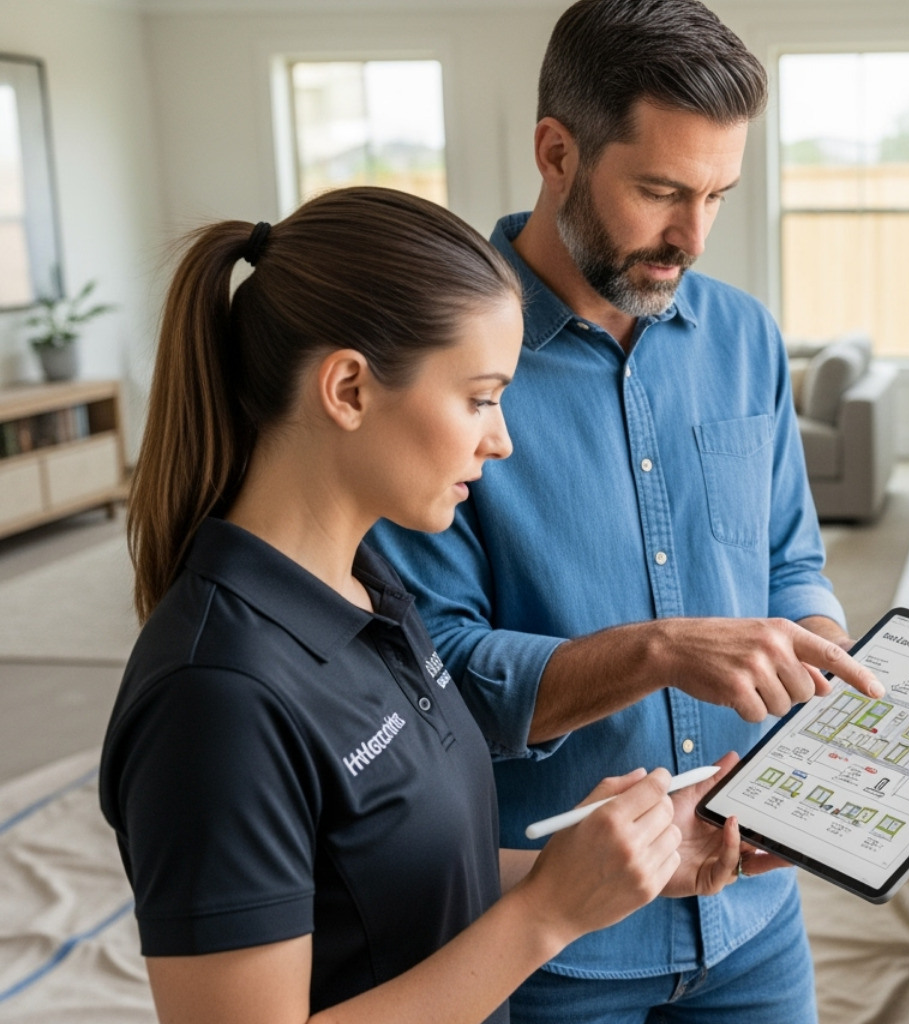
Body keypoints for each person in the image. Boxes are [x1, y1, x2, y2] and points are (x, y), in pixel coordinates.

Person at [368, 2, 909, 1021]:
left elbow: (788, 560)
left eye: (718, 193)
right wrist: (662, 648)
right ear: (557, 152)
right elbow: (438, 674)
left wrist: (827, 659)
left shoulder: (746, 337)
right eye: (661, 191)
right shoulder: (447, 366)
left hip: (754, 911)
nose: (692, 236)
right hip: (558, 948)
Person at [99, 186, 747, 1024]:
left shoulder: (372, 589)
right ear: (349, 389)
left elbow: (405, 883)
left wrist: (614, 867)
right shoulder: (214, 698)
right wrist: (546, 918)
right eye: (480, 397)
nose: (502, 439)